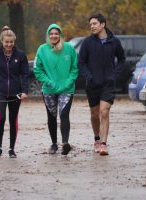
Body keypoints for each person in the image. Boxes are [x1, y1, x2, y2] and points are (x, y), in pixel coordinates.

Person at [78, 14, 125, 156]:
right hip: (92, 84)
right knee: (94, 114)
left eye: (94, 23)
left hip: (108, 84)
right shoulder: (87, 42)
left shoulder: (114, 42)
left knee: (104, 112)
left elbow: (122, 59)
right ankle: (97, 139)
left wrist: (114, 75)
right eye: (90, 24)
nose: (92, 26)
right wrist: (89, 77)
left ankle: (104, 144)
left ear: (103, 24)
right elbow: (81, 62)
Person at [0, 26, 29, 158]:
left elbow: (25, 74)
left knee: (13, 120)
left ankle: (12, 149)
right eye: (6, 42)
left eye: (11, 42)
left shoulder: (20, 55)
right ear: (2, 41)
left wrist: (25, 91)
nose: (9, 44)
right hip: (0, 92)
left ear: (14, 41)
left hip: (16, 93)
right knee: (1, 118)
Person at [33, 24, 78, 155]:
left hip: (67, 88)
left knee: (64, 114)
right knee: (51, 117)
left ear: (60, 35)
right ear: (48, 35)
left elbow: (75, 68)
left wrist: (68, 82)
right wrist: (48, 82)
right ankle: (54, 144)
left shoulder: (69, 48)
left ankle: (65, 143)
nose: (54, 36)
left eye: (56, 33)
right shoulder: (42, 49)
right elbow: (37, 69)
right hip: (49, 89)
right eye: (51, 33)